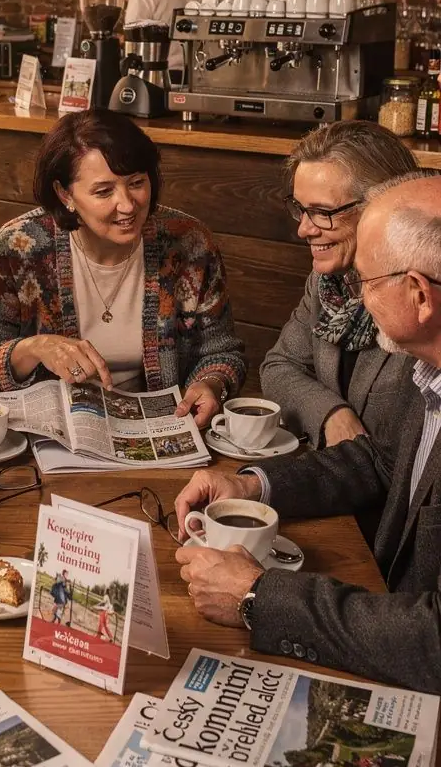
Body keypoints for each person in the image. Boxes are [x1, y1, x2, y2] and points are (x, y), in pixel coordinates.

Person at [174, 171, 441, 693]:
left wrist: (257, 596)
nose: (358, 300)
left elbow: (433, 640)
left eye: (367, 281)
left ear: (419, 295)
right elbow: (380, 463)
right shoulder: (428, 367)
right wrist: (250, 485)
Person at [0, 110, 245, 429]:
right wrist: (33, 348)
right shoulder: (19, 247)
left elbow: (223, 352)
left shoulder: (190, 244)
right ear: (65, 194)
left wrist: (212, 383)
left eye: (136, 183)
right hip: (52, 436)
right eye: (104, 192)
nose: (128, 205)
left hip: (161, 428)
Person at [260, 121, 417, 447]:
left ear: (383, 206)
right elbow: (278, 367)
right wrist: (329, 413)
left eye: (322, 212)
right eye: (301, 209)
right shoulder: (329, 282)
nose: (304, 229)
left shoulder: (419, 294)